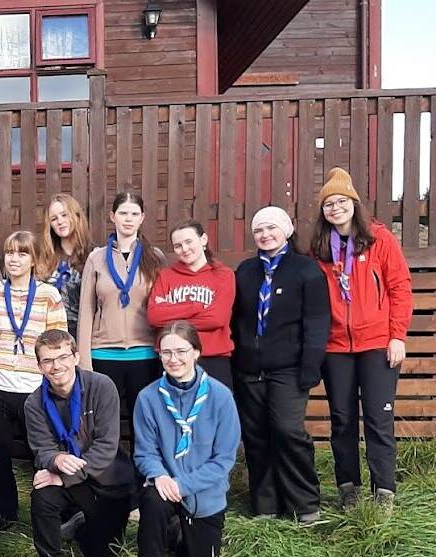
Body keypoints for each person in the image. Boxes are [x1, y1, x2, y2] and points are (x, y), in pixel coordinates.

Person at [310, 168, 413, 510]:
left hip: (377, 343)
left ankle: (384, 491)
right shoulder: (319, 247)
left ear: (354, 203)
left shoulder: (380, 238)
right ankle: (348, 488)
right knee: (342, 420)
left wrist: (397, 336)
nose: (336, 208)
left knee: (378, 419)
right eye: (329, 204)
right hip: (335, 346)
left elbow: (400, 288)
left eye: (342, 201)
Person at [231, 206, 331, 524]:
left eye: (271, 228)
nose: (265, 235)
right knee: (257, 435)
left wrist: (311, 365)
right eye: (259, 230)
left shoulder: (306, 270)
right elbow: (237, 319)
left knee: (288, 431)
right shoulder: (246, 271)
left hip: (288, 368)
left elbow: (317, 321)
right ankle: (266, 505)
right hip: (250, 369)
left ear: (286, 231)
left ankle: (304, 503)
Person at [133, 321, 240, 557]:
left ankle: (179, 534)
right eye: (166, 352)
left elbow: (223, 459)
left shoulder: (220, 396)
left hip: (203, 491)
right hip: (165, 485)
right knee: (152, 499)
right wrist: (158, 475)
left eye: (181, 351)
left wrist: (184, 485)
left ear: (196, 353)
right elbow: (145, 452)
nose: (174, 359)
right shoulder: (148, 397)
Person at [0, 230, 67, 531]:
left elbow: (59, 344)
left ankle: (51, 510)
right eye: (10, 252)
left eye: (22, 253)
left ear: (33, 259)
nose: (14, 259)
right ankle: (4, 512)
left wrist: (55, 387)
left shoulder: (49, 295)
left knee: (43, 450)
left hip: (34, 388)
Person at [76, 192, 166, 502]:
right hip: (104, 355)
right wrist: (84, 360)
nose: (128, 219)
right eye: (123, 213)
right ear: (112, 217)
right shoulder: (96, 258)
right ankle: (112, 490)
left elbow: (162, 307)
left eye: (134, 214)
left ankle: (142, 492)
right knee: (105, 428)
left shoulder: (154, 256)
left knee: (144, 426)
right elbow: (86, 309)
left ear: (142, 218)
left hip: (145, 354)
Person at [25, 330, 131, 557]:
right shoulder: (34, 403)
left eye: (63, 357)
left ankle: (82, 524)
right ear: (40, 366)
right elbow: (42, 449)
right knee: (42, 494)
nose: (56, 366)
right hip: (66, 476)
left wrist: (64, 476)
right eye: (48, 361)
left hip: (106, 477)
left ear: (76, 357)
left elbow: (106, 447)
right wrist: (56, 459)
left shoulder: (101, 386)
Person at [147, 221, 236, 388]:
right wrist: (194, 306)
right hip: (174, 358)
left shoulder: (224, 274)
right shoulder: (166, 276)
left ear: (203, 240)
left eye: (189, 242)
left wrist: (171, 314)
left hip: (213, 357)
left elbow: (217, 319)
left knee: (215, 404)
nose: (184, 249)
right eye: (178, 246)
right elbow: (154, 316)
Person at [35, 193, 93, 337]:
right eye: (54, 219)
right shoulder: (43, 258)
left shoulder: (93, 255)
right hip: (48, 334)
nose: (60, 221)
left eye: (64, 215)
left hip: (82, 333)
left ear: (76, 216)